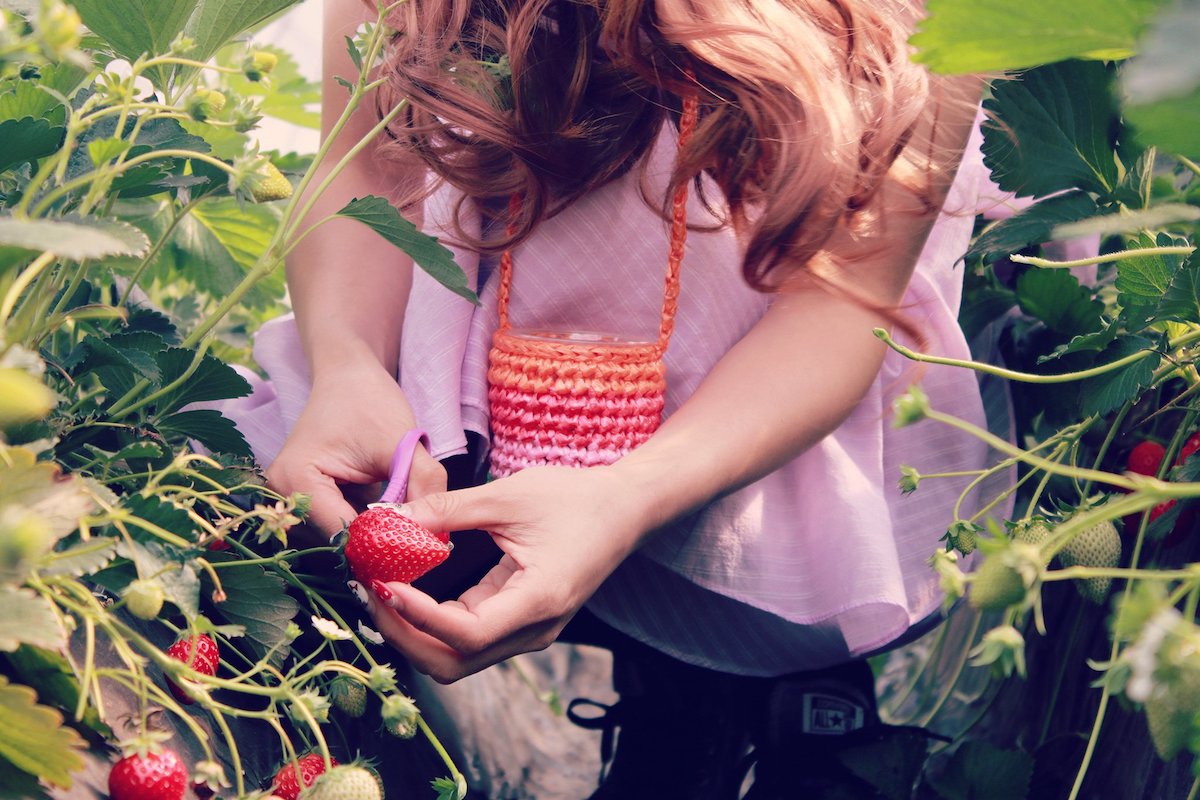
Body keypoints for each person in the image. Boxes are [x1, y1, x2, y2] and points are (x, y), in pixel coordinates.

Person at [229, 0, 992, 796]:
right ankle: (678, 706)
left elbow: (846, 301)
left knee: (731, 593)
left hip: (759, 413)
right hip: (460, 396)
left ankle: (735, 691)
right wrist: (350, 365)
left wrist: (628, 497)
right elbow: (361, 163)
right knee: (338, 526)